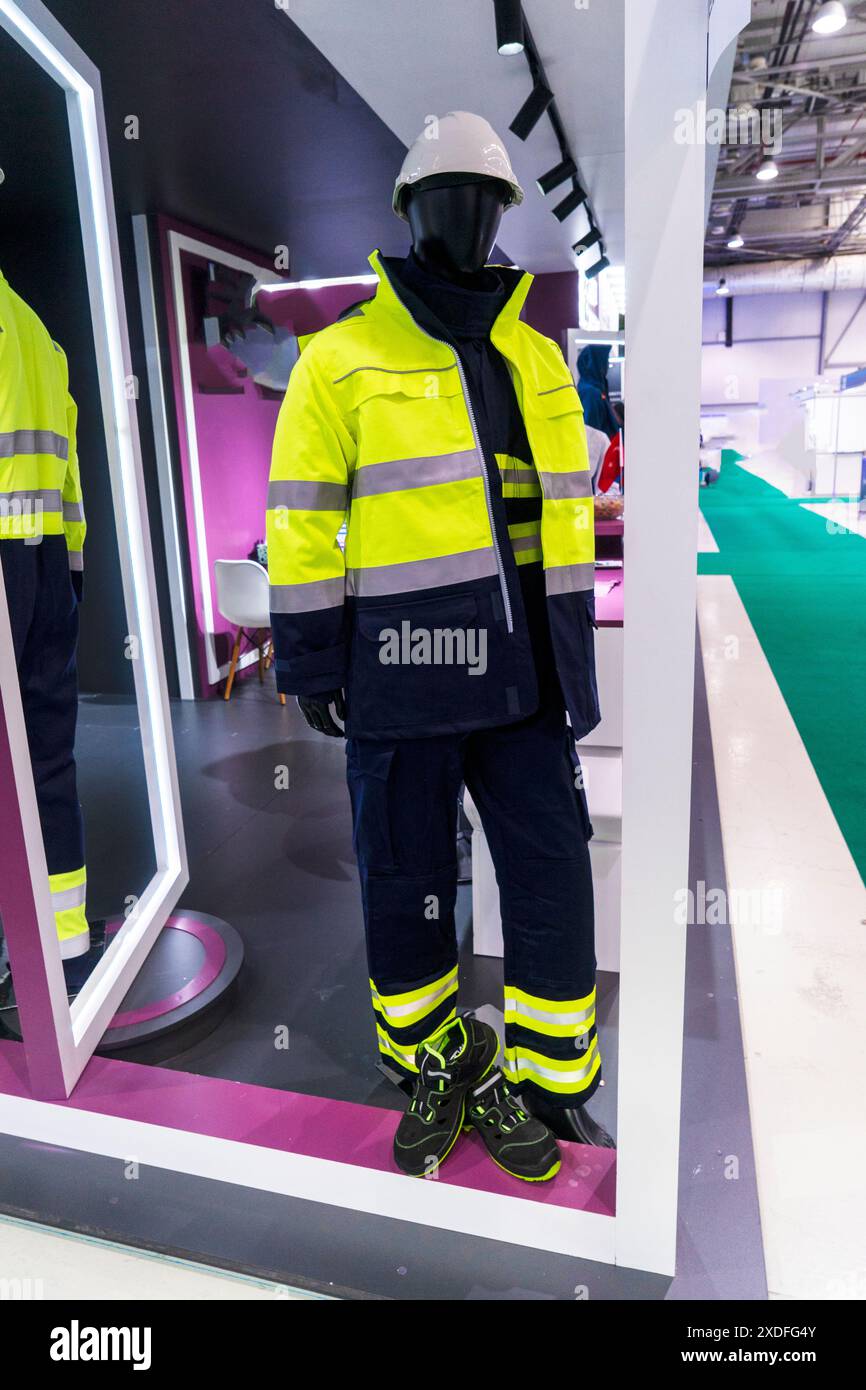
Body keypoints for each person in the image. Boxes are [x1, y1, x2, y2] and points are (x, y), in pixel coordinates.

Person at [267, 113, 613, 1180]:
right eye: (443, 200)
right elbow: (299, 518)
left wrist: (571, 664)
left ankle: (549, 1081)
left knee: (549, 873)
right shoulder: (339, 360)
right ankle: (431, 1061)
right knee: (404, 876)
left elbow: (559, 516)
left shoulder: (539, 357)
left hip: (525, 680)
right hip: (401, 672)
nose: (465, 218)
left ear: (505, 214)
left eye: (484, 201)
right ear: (408, 214)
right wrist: (314, 660)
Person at [0, 267, 89, 964]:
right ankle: (62, 939)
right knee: (47, 755)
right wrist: (72, 571)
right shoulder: (36, 331)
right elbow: (70, 478)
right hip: (47, 560)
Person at [576, 344, 620, 438]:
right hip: (602, 450)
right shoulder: (590, 393)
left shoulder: (595, 389)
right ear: (596, 363)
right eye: (605, 361)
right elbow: (591, 433)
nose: (607, 365)